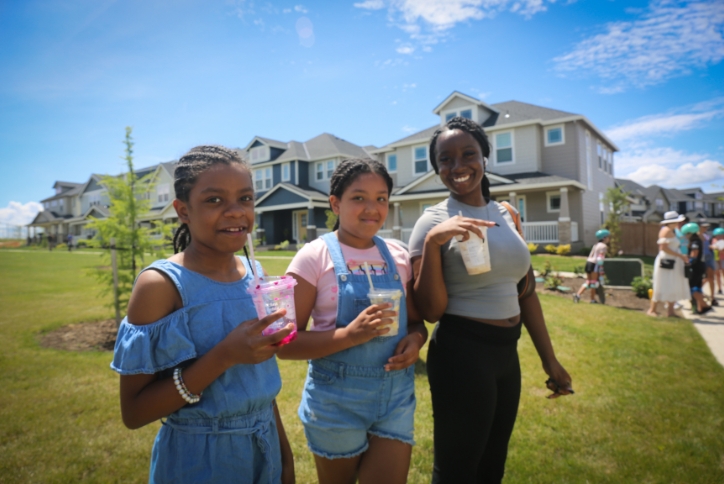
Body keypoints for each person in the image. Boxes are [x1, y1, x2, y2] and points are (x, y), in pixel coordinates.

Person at [110, 145, 295, 483]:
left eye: (246, 198)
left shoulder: (255, 273)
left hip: (264, 446)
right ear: (183, 210)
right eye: (214, 200)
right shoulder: (161, 285)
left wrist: (285, 459)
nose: (236, 212)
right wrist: (223, 356)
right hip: (199, 460)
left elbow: (260, 389)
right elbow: (134, 412)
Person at [409, 116, 573, 483]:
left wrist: (550, 361)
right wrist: (436, 241)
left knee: (492, 466)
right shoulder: (431, 221)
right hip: (461, 353)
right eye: (445, 159)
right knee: (456, 469)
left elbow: (526, 291)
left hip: (505, 354)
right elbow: (431, 311)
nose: (458, 166)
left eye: (468, 154)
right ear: (437, 169)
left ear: (485, 158)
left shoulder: (507, 214)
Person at [279, 158, 427, 484]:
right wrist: (348, 336)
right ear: (335, 203)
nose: (371, 208)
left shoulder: (398, 256)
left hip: (395, 398)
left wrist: (415, 342)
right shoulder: (313, 257)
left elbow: (416, 324)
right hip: (335, 402)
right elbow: (284, 344)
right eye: (358, 197)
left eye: (381, 198)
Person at [647, 211, 690, 318]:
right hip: (667, 262)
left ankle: (671, 311)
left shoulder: (672, 231)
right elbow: (663, 248)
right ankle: (652, 310)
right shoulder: (665, 231)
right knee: (662, 284)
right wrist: (680, 255)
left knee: (672, 284)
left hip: (673, 262)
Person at [683, 222, 713, 315]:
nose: (686, 236)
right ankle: (700, 308)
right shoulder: (698, 240)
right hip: (700, 266)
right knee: (697, 287)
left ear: (690, 233)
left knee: (691, 288)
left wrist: (687, 262)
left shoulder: (695, 243)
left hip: (696, 267)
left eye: (687, 234)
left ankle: (705, 306)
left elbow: (694, 256)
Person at [573, 229, 610, 304]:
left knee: (588, 282)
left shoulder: (595, 245)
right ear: (604, 238)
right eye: (608, 237)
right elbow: (600, 258)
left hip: (588, 263)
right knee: (593, 282)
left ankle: (578, 295)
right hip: (595, 264)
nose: (609, 238)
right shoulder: (603, 246)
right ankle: (592, 299)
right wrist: (601, 269)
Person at [698, 220, 718, 306]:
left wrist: (713, 246)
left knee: (711, 278)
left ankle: (713, 298)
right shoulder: (696, 236)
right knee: (703, 278)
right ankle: (696, 293)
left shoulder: (706, 236)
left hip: (709, 257)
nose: (705, 228)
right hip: (701, 259)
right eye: (704, 226)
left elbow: (707, 246)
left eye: (706, 226)